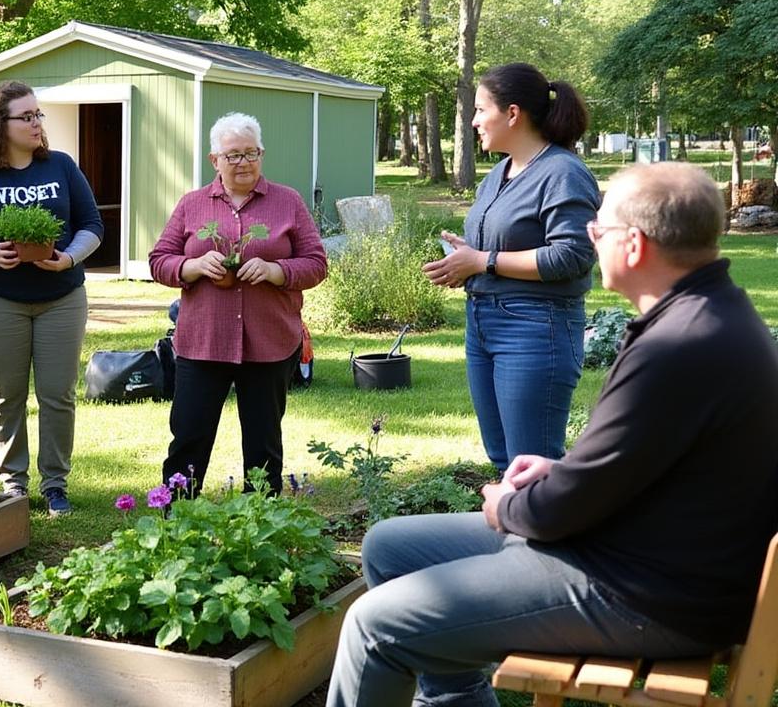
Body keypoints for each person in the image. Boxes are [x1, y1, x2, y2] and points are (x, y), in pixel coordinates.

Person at [326, 162, 778, 707]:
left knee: (375, 626)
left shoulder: (679, 346)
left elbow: (555, 513)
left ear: (633, 246)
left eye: (597, 230)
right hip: (644, 552)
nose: (590, 239)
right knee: (389, 548)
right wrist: (559, 472)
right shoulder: (709, 315)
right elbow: (651, 467)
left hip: (647, 594)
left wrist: (508, 509)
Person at [422, 63, 599, 472]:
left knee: (531, 465)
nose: (474, 122)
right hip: (483, 323)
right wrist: (469, 257)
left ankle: (548, 536)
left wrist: (482, 260)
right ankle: (516, 535)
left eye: (481, 110)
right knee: (504, 460)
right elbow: (502, 250)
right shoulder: (497, 174)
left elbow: (572, 256)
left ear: (513, 114)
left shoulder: (563, 173)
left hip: (536, 329)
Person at [0, 81, 104, 516]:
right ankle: (13, 485)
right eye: (26, 116)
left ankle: (55, 485)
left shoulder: (61, 166)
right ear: (1, 123)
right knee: (7, 393)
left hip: (61, 298)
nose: (36, 123)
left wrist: (69, 258)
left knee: (58, 395)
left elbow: (92, 224)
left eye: (38, 115)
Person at [149, 112, 326, 496]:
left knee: (263, 444)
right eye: (233, 155)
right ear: (215, 160)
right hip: (204, 341)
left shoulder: (288, 202)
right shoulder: (192, 205)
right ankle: (175, 520)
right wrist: (192, 265)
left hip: (270, 340)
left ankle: (259, 526)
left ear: (261, 154)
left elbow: (316, 264)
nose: (243, 162)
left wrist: (276, 270)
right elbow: (158, 260)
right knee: (189, 438)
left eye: (251, 153)